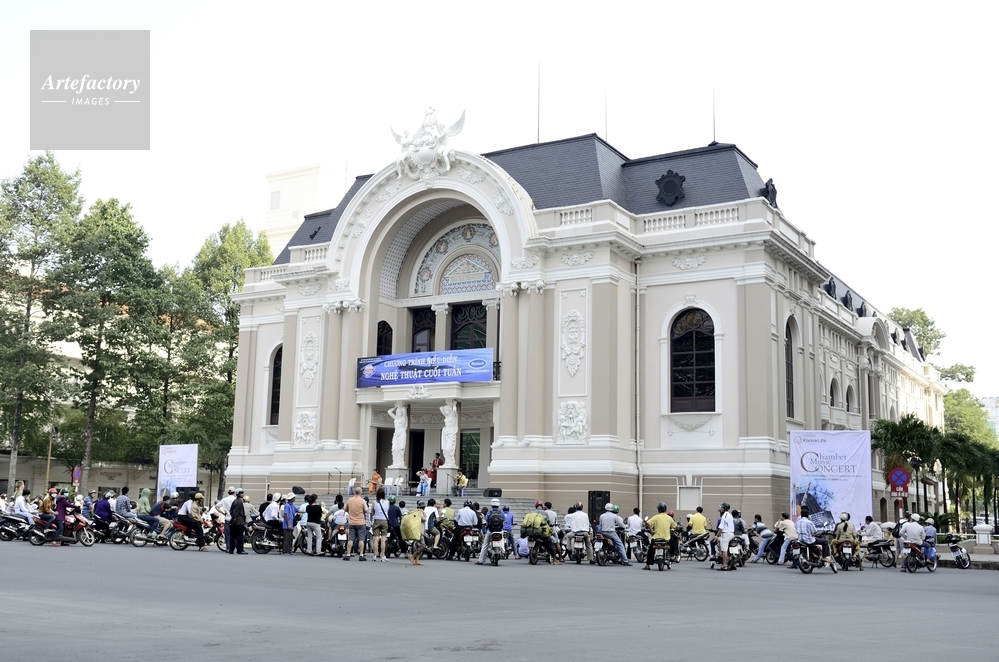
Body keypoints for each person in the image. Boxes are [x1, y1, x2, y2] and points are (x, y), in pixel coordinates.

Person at [642, 503, 676, 570]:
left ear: (658, 510)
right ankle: (672, 556)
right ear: (665, 509)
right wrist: (677, 528)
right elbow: (675, 526)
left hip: (656, 539)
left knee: (651, 550)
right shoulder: (669, 518)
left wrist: (651, 531)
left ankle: (648, 565)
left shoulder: (656, 517)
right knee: (673, 543)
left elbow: (648, 523)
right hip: (666, 539)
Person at [476, 499, 508, 564]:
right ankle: (503, 549)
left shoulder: (489, 512)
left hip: (490, 531)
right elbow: (504, 521)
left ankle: (481, 560)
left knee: (485, 545)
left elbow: (486, 521)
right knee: (502, 539)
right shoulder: (501, 512)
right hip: (499, 531)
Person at [344, 487, 368, 561]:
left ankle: (348, 554)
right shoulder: (362, 501)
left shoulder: (350, 500)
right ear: (361, 493)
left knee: (350, 539)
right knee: (361, 539)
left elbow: (345, 509)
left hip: (351, 522)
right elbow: (367, 511)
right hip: (361, 522)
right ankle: (361, 555)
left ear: (354, 492)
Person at [370, 488, 391, 562]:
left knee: (376, 538)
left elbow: (372, 512)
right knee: (383, 539)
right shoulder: (387, 502)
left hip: (376, 520)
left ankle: (374, 556)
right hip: (384, 520)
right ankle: (383, 556)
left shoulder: (374, 502)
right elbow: (387, 510)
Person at [714, 502, 735, 570]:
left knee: (724, 550)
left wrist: (717, 536)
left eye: (721, 508)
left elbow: (721, 528)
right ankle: (733, 564)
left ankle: (724, 565)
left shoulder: (724, 516)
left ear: (724, 508)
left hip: (726, 534)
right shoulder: (730, 515)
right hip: (731, 533)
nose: (720, 509)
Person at [228, 488, 248, 554]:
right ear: (238, 494)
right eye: (241, 493)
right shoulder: (239, 502)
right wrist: (235, 517)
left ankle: (231, 550)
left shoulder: (235, 501)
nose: (243, 494)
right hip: (238, 521)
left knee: (232, 536)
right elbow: (235, 512)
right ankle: (240, 550)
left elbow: (231, 511)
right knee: (239, 536)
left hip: (234, 521)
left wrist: (233, 517)